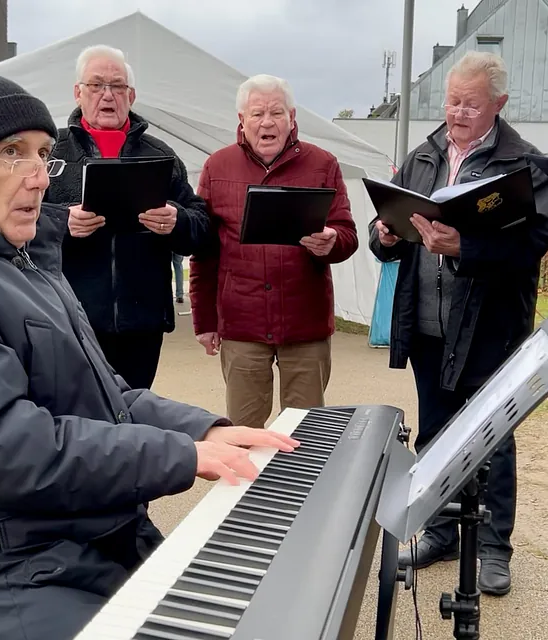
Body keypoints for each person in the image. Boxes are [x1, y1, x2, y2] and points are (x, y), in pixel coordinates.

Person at [0, 63, 298, 640]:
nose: (39, 176)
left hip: (59, 543)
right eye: (11, 153)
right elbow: (0, 447)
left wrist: (209, 430)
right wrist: (179, 456)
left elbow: (107, 394)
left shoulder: (24, 259)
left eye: (43, 154)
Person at [369, 51, 548, 596]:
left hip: (489, 330)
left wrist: (465, 246)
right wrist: (385, 236)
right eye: (451, 101)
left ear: (498, 104)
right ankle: (443, 530)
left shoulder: (527, 166)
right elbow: (387, 233)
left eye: (471, 104)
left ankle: (494, 548)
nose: (458, 113)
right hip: (428, 325)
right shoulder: (423, 155)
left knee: (493, 442)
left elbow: (535, 244)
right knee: (437, 434)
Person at [190, 74, 358, 429]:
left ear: (292, 118)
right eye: (257, 114)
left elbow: (347, 235)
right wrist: (205, 321)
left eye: (276, 113)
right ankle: (249, 487)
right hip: (242, 323)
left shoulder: (322, 164)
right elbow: (204, 252)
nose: (267, 122)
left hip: (305, 323)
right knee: (243, 430)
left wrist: (331, 241)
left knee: (307, 432)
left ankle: (304, 487)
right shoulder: (217, 167)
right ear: (241, 120)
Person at [45, 45, 212, 390]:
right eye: (96, 85)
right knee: (79, 417)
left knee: (134, 414)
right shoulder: (51, 153)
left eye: (117, 86)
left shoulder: (161, 155)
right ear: (78, 92)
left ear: (131, 96)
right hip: (69, 318)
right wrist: (60, 222)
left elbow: (202, 227)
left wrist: (176, 220)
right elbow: (14, 222)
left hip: (142, 322)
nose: (107, 95)